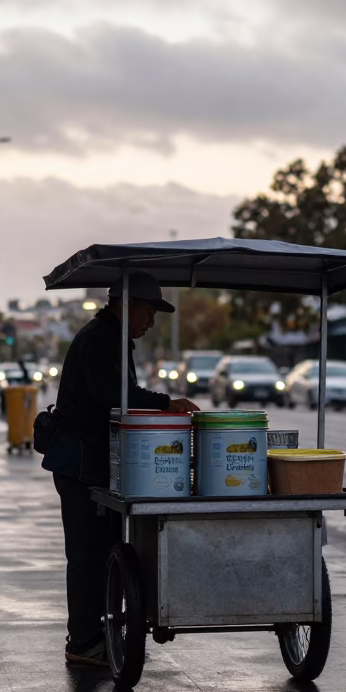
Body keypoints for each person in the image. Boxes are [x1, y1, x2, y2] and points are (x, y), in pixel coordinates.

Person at [45, 272, 200, 666]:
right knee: (86, 554)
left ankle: (95, 634)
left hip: (92, 462)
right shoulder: (100, 339)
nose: (151, 322)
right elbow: (115, 399)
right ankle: (83, 643)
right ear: (127, 304)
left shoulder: (114, 339)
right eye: (149, 312)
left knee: (101, 550)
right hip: (79, 462)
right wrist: (166, 404)